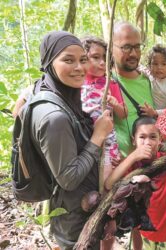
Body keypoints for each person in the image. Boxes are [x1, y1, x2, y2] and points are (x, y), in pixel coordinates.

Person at [30, 31, 113, 249]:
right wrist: (98, 136)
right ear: (49, 62)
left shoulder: (58, 95)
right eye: (68, 60)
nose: (79, 67)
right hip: (74, 221)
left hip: (77, 211)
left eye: (82, 59)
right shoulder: (54, 116)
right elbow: (68, 178)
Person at [105, 116, 166, 250]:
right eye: (142, 137)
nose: (148, 142)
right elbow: (109, 184)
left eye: (153, 137)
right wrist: (132, 157)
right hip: (146, 231)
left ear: (160, 139)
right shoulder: (132, 166)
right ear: (134, 140)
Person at [81, 36, 127, 180]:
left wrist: (114, 103)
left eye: (104, 58)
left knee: (107, 182)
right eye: (95, 57)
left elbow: (124, 113)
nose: (102, 63)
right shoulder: (77, 82)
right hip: (83, 143)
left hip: (107, 145)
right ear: (83, 58)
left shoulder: (110, 84)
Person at [112, 21, 155, 157]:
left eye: (137, 47)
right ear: (111, 49)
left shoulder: (148, 80)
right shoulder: (105, 82)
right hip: (120, 169)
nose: (133, 54)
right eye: (126, 47)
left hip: (152, 165)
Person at [138, 44, 166, 118]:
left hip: (165, 118)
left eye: (163, 64)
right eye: (155, 64)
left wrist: (155, 113)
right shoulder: (151, 74)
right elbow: (140, 68)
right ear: (150, 65)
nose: (159, 67)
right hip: (151, 114)